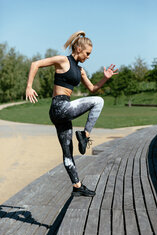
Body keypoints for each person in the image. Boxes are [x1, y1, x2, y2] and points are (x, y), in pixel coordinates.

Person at [26, 31, 118, 197]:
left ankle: (77, 186)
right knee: (98, 101)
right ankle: (85, 134)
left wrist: (105, 78)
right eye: (87, 53)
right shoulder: (63, 60)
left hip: (62, 112)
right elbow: (35, 64)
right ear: (78, 48)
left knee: (67, 152)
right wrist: (29, 86)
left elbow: (92, 89)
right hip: (59, 106)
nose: (89, 57)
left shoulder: (81, 71)